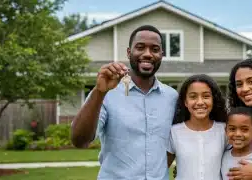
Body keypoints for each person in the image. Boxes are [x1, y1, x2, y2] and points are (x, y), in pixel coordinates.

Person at [70, 25, 178, 180]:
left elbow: (175, 143)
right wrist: (99, 92)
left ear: (161, 54)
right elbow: (79, 141)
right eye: (140, 47)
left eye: (154, 49)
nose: (147, 54)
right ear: (129, 53)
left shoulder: (172, 97)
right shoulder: (106, 93)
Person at [166, 74, 228, 180]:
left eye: (206, 96)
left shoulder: (224, 130)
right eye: (193, 96)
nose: (200, 102)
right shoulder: (174, 132)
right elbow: (162, 168)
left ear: (213, 100)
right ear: (185, 102)